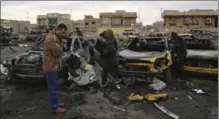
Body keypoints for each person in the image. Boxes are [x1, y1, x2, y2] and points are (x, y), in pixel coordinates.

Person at [42, 23, 68, 113]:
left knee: (53, 87)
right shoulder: (52, 38)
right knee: (52, 88)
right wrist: (62, 46)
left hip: (52, 66)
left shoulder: (54, 37)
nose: (63, 34)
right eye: (62, 32)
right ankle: (54, 107)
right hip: (50, 67)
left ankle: (55, 103)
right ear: (58, 29)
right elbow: (58, 52)